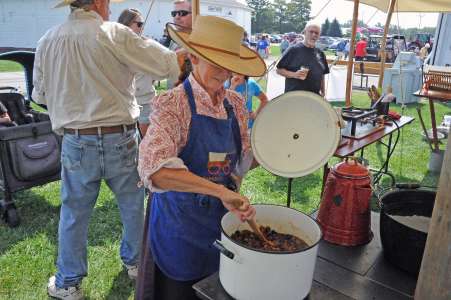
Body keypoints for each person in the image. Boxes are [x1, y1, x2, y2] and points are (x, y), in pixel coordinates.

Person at [32, 0, 179, 299]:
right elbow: (168, 64)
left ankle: (68, 283)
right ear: (99, 2)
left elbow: (41, 95)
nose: (110, 7)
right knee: (132, 206)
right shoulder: (115, 33)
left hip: (76, 139)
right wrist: (142, 44)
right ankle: (136, 263)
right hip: (119, 137)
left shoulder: (47, 39)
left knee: (74, 213)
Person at [135, 15, 266, 300]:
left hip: (221, 224)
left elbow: (240, 162)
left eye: (230, 67)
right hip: (179, 228)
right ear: (193, 57)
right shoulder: (173, 104)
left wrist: (268, 155)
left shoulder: (235, 103)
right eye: (216, 65)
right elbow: (154, 170)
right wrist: (218, 191)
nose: (224, 75)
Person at [117, 8, 154, 135]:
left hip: (145, 101)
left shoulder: (146, 44)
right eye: (139, 24)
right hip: (125, 104)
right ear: (126, 24)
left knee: (148, 142)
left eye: (142, 24)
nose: (141, 28)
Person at [276, 22, 329, 96]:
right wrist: (294, 74)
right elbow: (279, 70)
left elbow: (322, 75)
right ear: (305, 32)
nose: (314, 35)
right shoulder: (293, 49)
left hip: (314, 98)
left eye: (316, 33)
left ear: (319, 35)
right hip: (295, 97)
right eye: (311, 32)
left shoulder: (321, 53)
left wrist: (323, 92)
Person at [167, 0, 193, 88]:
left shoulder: (201, 43)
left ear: (195, 15)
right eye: (174, 13)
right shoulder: (173, 41)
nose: (177, 17)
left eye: (182, 13)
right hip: (172, 97)